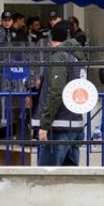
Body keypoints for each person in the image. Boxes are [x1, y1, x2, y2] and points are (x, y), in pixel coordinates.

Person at [32, 21, 86, 167]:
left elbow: (56, 92)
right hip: (75, 125)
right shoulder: (77, 57)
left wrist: (45, 125)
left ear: (53, 38)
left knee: (47, 180)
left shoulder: (60, 57)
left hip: (58, 127)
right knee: (68, 180)